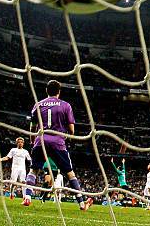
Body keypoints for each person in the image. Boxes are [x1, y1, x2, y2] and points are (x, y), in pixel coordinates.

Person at [22, 80, 93, 211]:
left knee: (33, 170)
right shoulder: (66, 105)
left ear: (46, 91)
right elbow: (71, 130)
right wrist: (65, 136)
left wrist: (33, 141)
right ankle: (82, 204)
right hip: (57, 142)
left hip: (41, 141)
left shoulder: (38, 105)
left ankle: (27, 197)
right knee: (70, 174)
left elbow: (32, 128)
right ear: (59, 92)